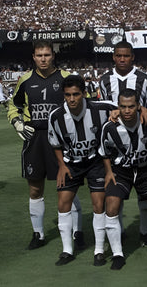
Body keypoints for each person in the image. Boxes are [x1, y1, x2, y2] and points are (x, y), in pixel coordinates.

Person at [7, 40, 84, 251]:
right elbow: (14, 105)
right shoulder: (25, 80)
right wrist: (17, 122)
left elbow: (82, 104)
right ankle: (38, 234)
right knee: (35, 188)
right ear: (33, 56)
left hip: (61, 139)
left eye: (47, 55)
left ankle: (77, 232)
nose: (43, 59)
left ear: (53, 56)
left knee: (68, 187)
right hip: (35, 139)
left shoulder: (67, 78)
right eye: (39, 55)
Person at [48, 75, 115, 266]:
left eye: (76, 94)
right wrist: (61, 165)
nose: (71, 99)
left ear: (84, 93)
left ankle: (99, 250)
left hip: (95, 162)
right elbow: (56, 144)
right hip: (71, 164)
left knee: (98, 203)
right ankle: (67, 250)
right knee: (63, 203)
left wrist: (135, 110)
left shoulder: (101, 108)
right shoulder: (56, 116)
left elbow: (125, 107)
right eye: (67, 95)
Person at [98, 88, 147, 270]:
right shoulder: (110, 127)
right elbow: (104, 152)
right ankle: (118, 254)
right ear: (117, 107)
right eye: (122, 106)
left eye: (131, 106)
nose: (127, 111)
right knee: (111, 206)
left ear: (138, 106)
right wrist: (108, 172)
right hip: (121, 171)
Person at [99, 40, 147, 246]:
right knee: (117, 190)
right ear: (113, 57)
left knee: (143, 192)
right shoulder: (104, 80)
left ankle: (144, 232)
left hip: (140, 138)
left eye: (126, 56)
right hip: (116, 142)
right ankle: (120, 231)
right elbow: (105, 109)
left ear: (132, 57)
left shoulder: (144, 78)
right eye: (118, 56)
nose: (122, 59)